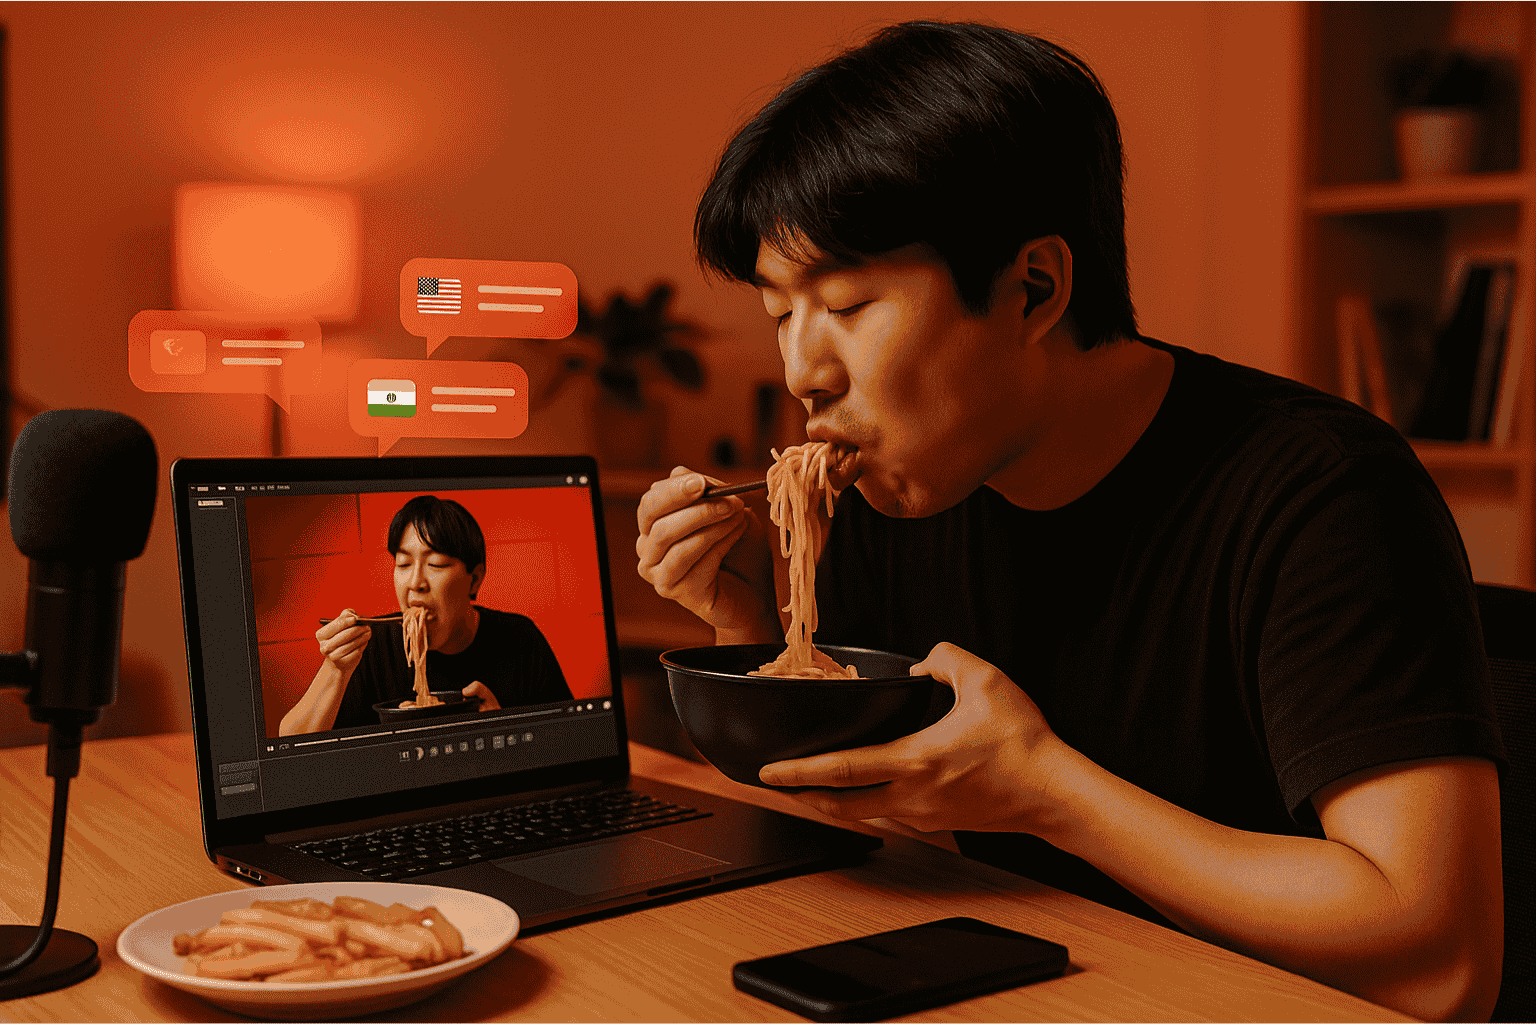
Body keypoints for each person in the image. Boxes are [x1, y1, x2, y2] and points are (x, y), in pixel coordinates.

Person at [637, 21, 1507, 1022]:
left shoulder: (1322, 494)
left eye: (848, 302)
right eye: (781, 312)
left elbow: (1443, 965)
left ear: (1035, 288)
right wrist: (747, 624)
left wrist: (1046, 790)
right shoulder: (888, 490)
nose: (802, 371)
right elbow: (847, 822)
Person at [279, 495, 570, 735]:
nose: (416, 581)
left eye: (437, 564)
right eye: (403, 564)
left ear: (475, 578)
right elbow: (290, 748)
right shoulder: (370, 644)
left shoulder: (519, 639)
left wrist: (502, 729)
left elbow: (572, 742)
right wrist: (335, 669)